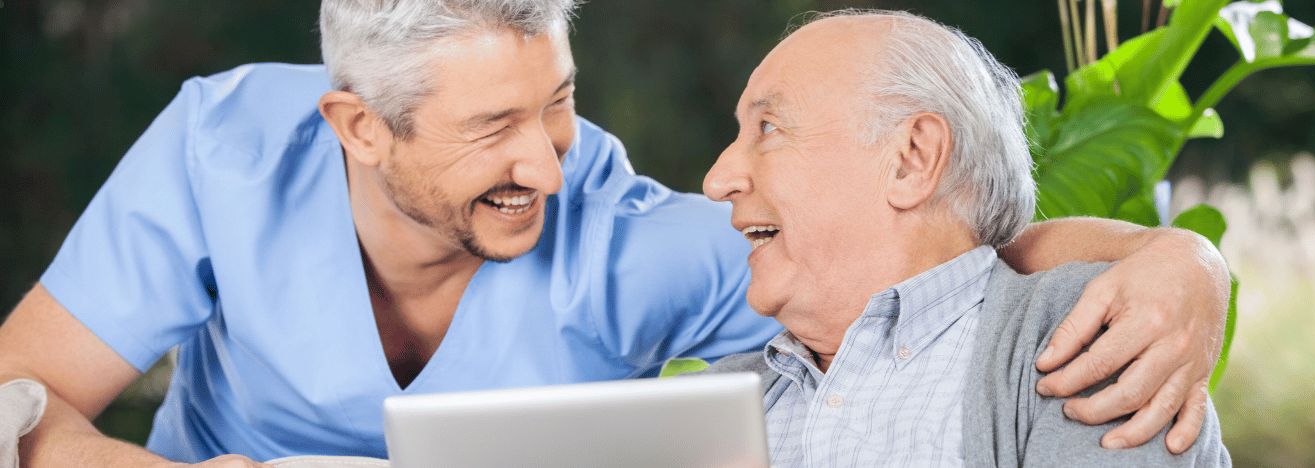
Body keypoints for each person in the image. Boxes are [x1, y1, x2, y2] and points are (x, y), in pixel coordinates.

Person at [0, 1, 1229, 466]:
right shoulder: (225, 151)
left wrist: (1184, 260)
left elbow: (954, 263)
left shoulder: (636, 243)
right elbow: (16, 398)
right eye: (495, 128)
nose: (552, 160)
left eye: (562, 100)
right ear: (358, 131)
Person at [699, 10, 1230, 466]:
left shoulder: (1083, 337)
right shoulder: (717, 402)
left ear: (912, 159)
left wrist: (1185, 257)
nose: (717, 180)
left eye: (768, 128)